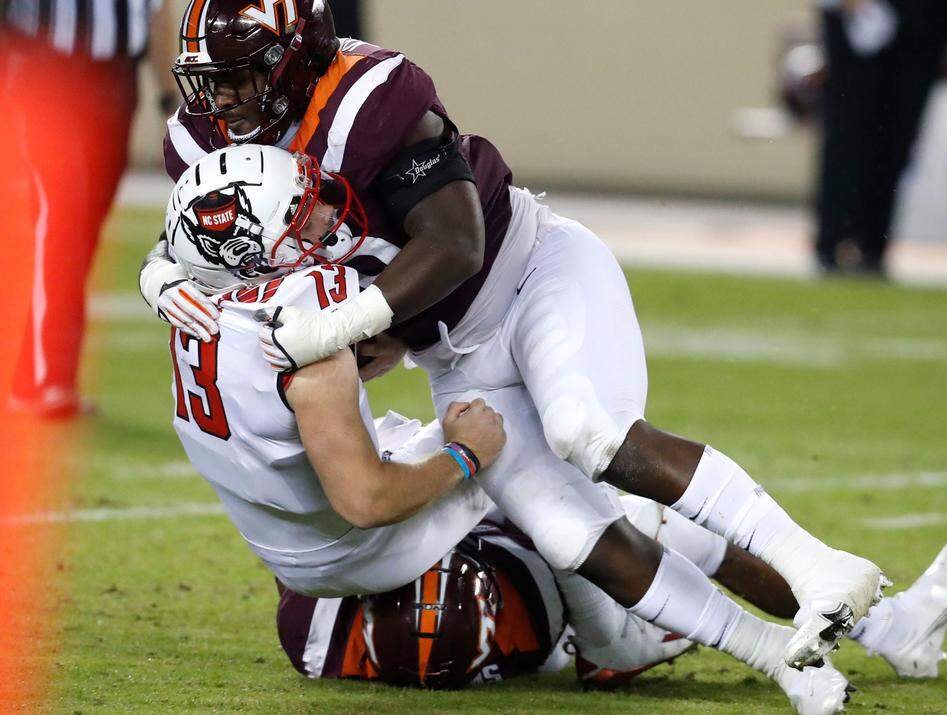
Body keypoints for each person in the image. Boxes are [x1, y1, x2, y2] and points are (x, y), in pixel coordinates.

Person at [143, 0, 889, 677]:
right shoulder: (204, 134)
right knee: (569, 535)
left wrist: (340, 323)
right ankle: (800, 653)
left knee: (588, 431)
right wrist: (158, 278)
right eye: (215, 80)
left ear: (299, 60)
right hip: (454, 352)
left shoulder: (370, 99)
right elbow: (193, 238)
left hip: (530, 274)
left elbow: (458, 243)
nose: (226, 99)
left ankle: (813, 560)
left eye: (244, 76)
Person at [161, 144, 856, 714]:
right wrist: (466, 457)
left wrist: (157, 281)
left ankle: (847, 618)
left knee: (560, 464)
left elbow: (173, 255)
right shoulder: (305, 344)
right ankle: (695, 641)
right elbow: (367, 499)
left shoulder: (195, 306)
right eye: (298, 220)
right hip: (360, 542)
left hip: (292, 548)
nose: (320, 225)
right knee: (563, 489)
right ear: (253, 254)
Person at [276, 464, 947, 691]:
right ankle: (890, 629)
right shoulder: (518, 621)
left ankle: (892, 631)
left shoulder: (314, 626)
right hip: (584, 625)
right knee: (658, 526)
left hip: (493, 559)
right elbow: (608, 641)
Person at [1, 0, 179, 418]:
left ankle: (31, 376)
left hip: (115, 82)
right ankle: (50, 381)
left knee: (81, 232)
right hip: (45, 74)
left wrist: (168, 92)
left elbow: (155, 12)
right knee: (59, 219)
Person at [813, 0, 947, 276]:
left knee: (897, 140)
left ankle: (873, 243)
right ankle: (835, 238)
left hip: (923, 23)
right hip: (860, 16)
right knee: (849, 133)